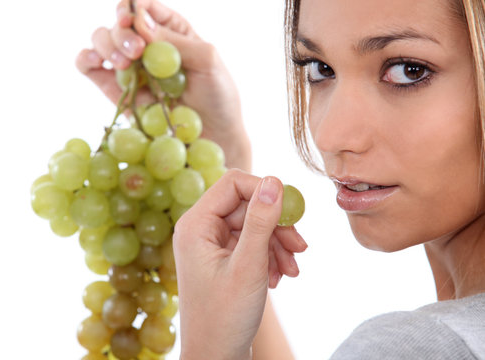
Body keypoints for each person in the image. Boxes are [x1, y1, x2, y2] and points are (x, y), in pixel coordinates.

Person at [76, 0, 485, 358]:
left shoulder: (417, 347)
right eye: (321, 69)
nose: (330, 135)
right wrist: (218, 159)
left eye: (407, 70)